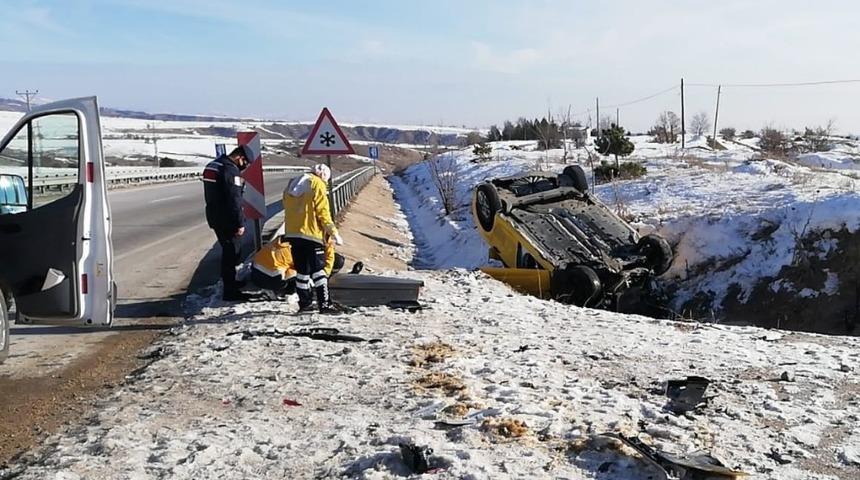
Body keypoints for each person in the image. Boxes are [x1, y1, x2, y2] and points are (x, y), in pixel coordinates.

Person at [282, 164, 343, 313]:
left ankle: (305, 304)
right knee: (319, 271)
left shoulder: (293, 183)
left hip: (293, 235)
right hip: (311, 234)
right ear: (324, 177)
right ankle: (325, 304)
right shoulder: (318, 185)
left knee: (302, 272)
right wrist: (333, 232)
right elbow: (323, 212)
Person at [203, 145, 251, 301]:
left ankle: (232, 284)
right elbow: (234, 199)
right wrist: (240, 223)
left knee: (229, 252)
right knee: (232, 254)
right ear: (239, 157)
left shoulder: (213, 165)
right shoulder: (230, 170)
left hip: (215, 216)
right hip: (228, 219)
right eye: (245, 162)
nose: (245, 166)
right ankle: (230, 291)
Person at [251, 235, 347, 298]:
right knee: (301, 275)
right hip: (268, 279)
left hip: (255, 269)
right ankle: (278, 291)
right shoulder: (301, 252)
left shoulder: (292, 237)